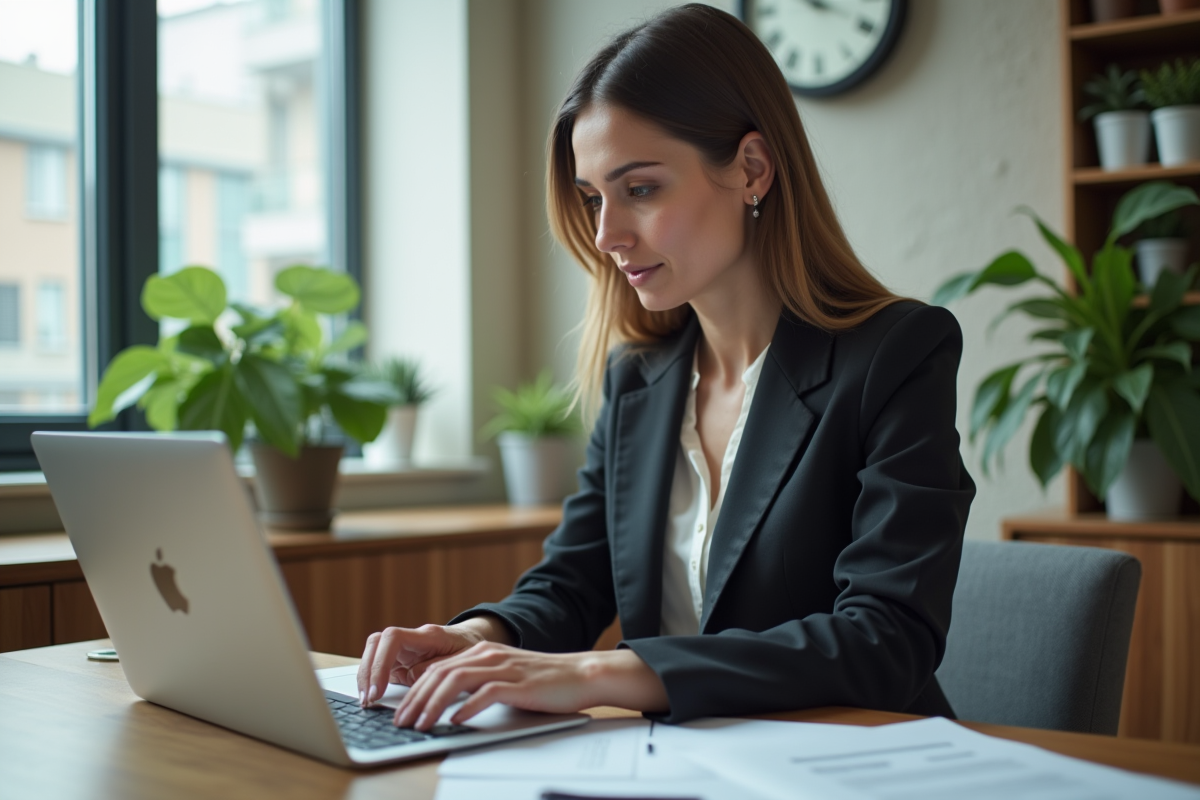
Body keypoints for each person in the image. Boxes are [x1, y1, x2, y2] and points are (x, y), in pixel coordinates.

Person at [358, 3, 975, 731]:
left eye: (640, 189)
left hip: (849, 764)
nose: (606, 234)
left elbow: (885, 641)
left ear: (751, 168)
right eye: (593, 198)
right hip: (680, 764)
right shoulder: (640, 380)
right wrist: (473, 640)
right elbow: (573, 583)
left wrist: (595, 672)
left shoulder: (896, 353)